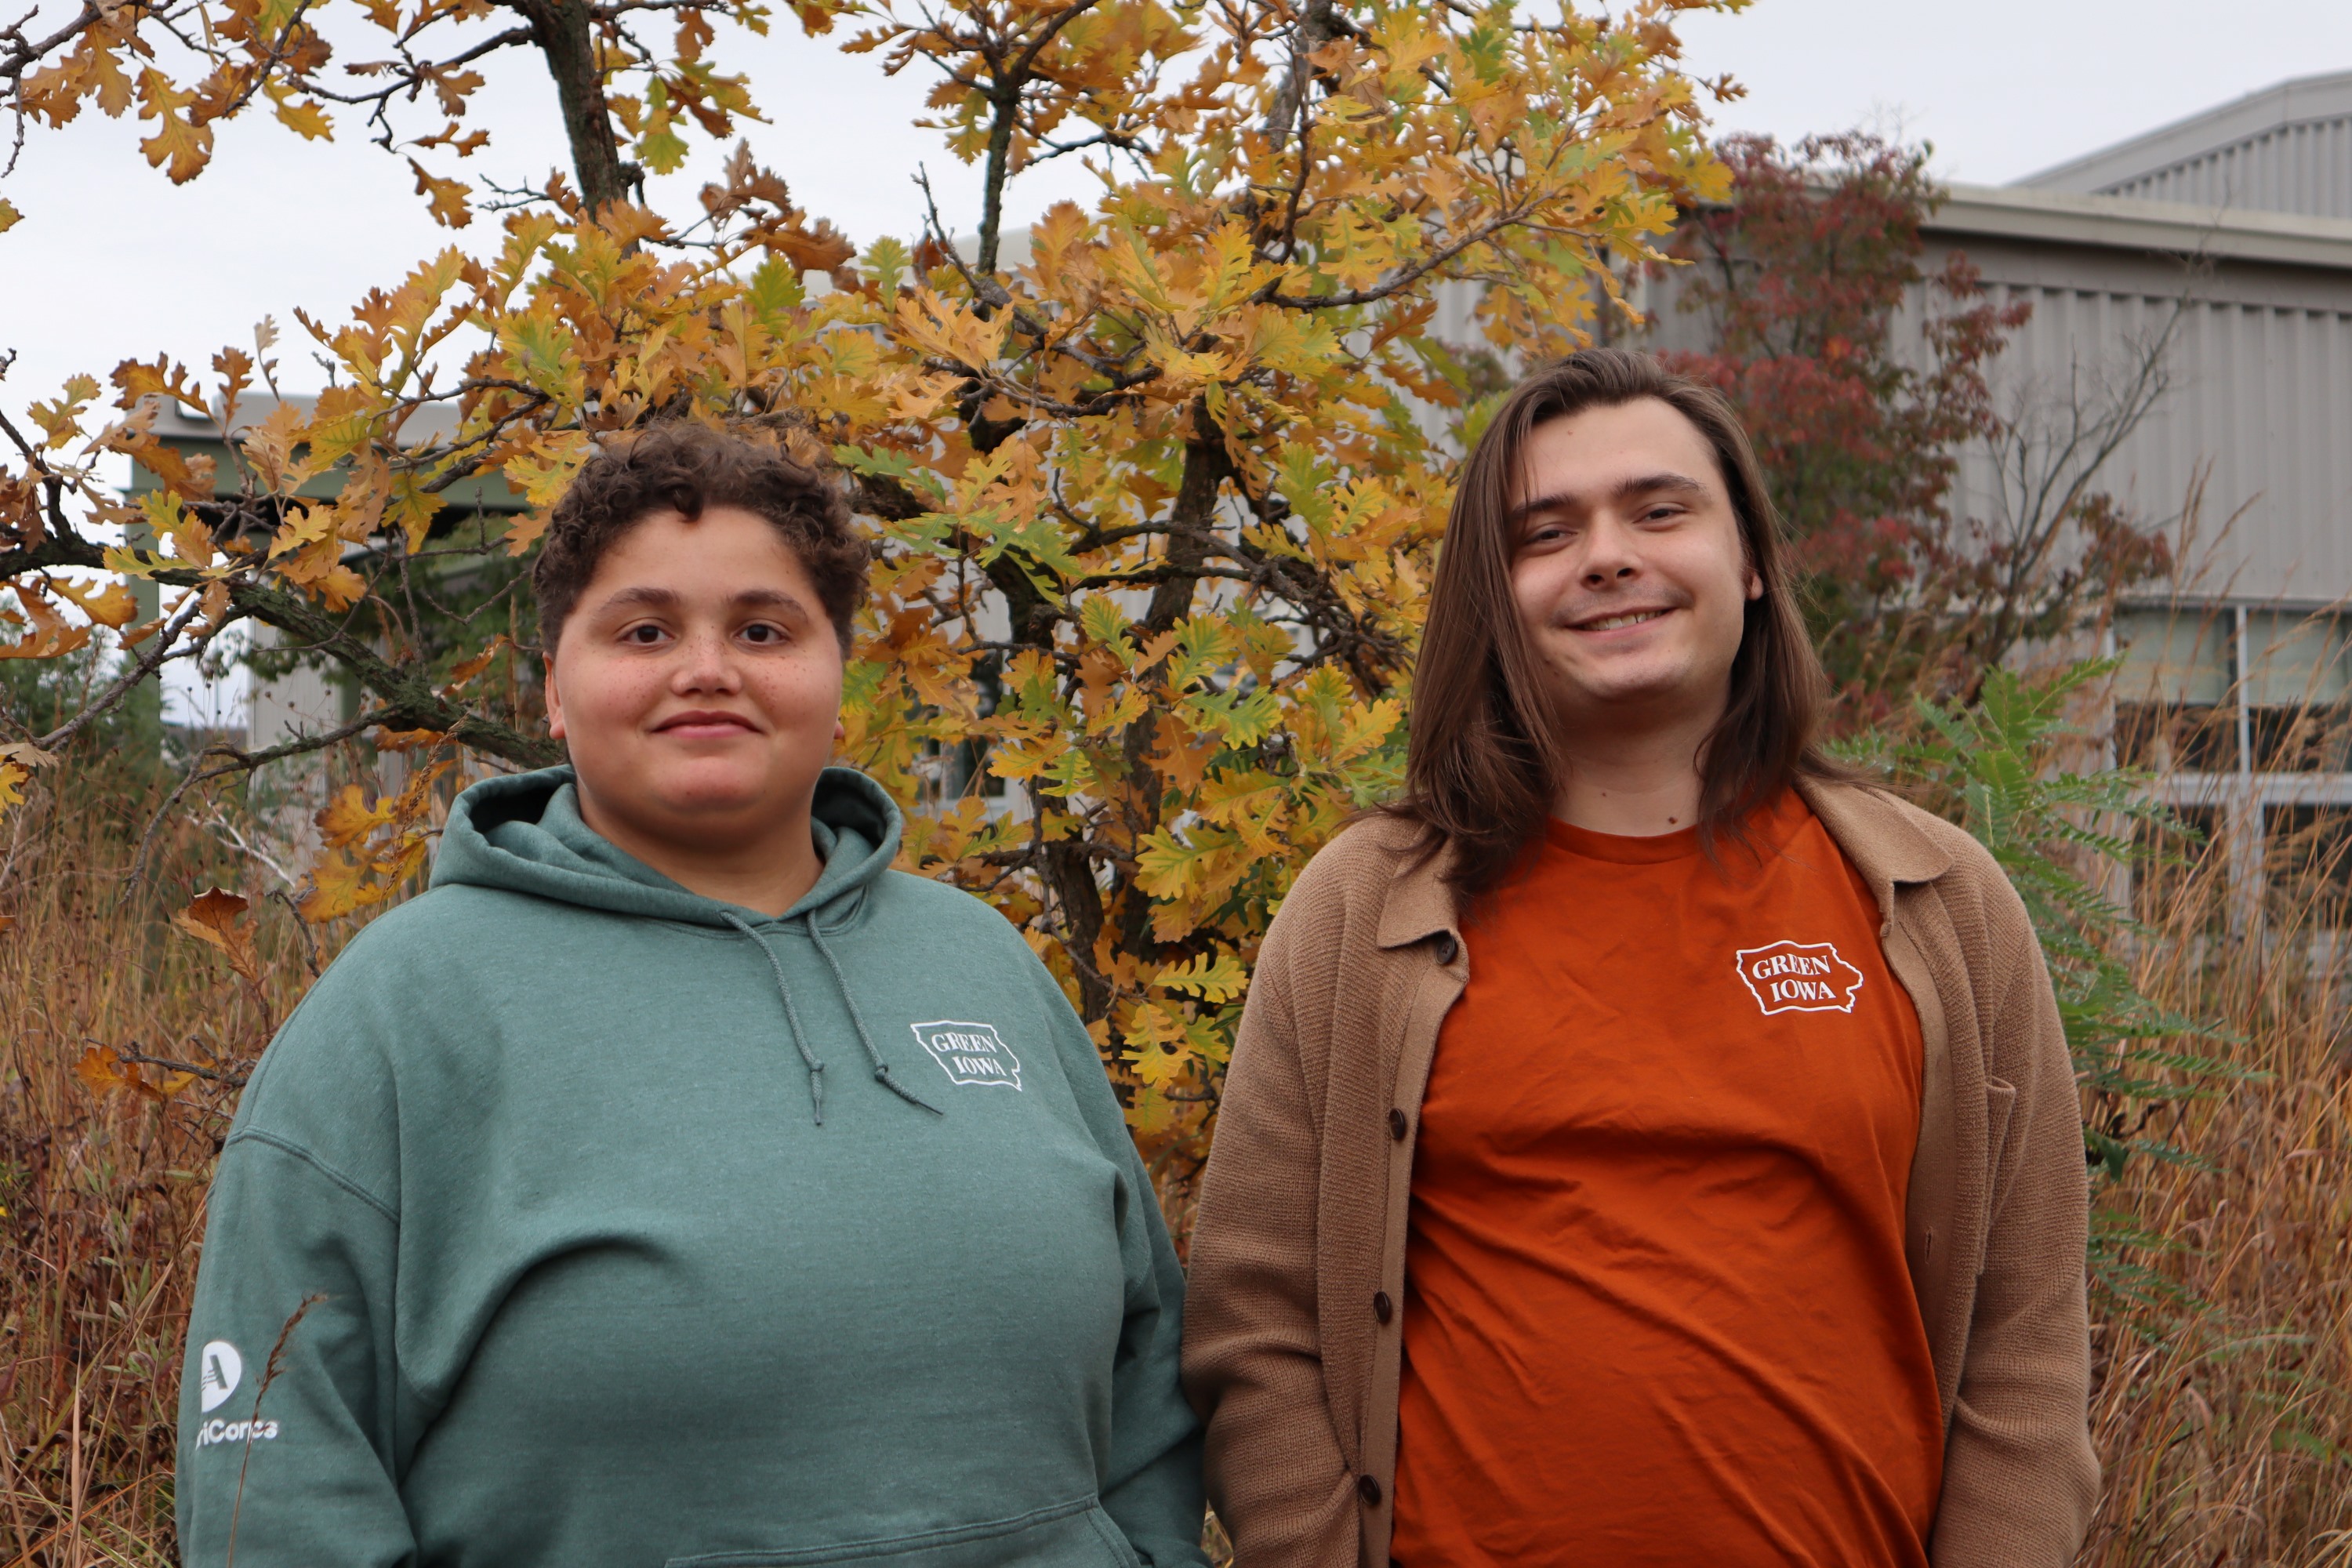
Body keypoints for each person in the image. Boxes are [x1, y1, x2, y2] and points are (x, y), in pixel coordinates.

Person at [175, 422, 1205, 1567]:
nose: (706, 667)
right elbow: (276, 1492)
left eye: (763, 628)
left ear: (838, 676)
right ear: (555, 687)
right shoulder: (405, 1011)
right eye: (645, 629)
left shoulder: (984, 963)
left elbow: (1150, 1376)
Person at [1181, 349, 2097, 1567]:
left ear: (1753, 562)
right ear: (1495, 598)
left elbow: (2025, 1349)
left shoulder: (1937, 903)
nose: (1609, 555)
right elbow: (1256, 1316)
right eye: (1546, 533)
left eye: (1660, 511)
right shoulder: (1364, 914)